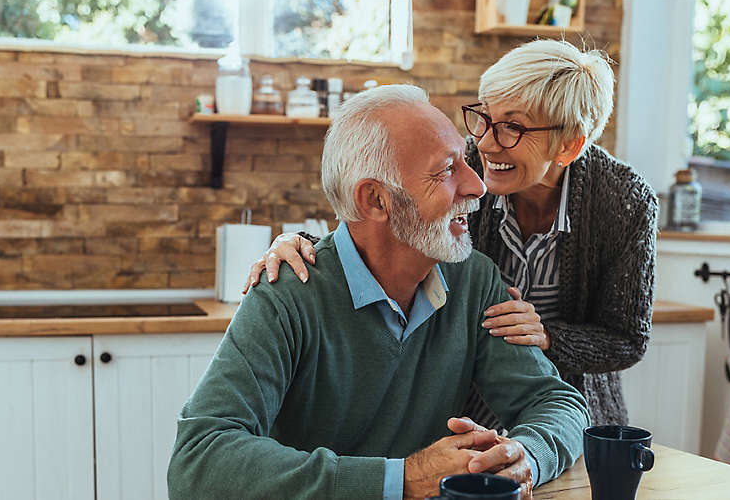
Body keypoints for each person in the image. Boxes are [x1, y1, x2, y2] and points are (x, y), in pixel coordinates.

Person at [168, 84, 589, 500]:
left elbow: (559, 403)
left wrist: (527, 456)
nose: (476, 185)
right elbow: (198, 460)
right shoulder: (287, 294)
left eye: (465, 161)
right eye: (446, 170)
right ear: (375, 200)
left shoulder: (474, 281)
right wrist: (403, 479)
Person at [244, 39, 658, 428]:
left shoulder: (624, 202)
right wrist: (301, 243)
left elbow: (627, 339)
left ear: (569, 145)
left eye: (512, 127)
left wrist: (548, 335)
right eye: (485, 116)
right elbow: (385, 220)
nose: (488, 144)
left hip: (565, 417)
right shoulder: (469, 162)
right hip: (459, 416)